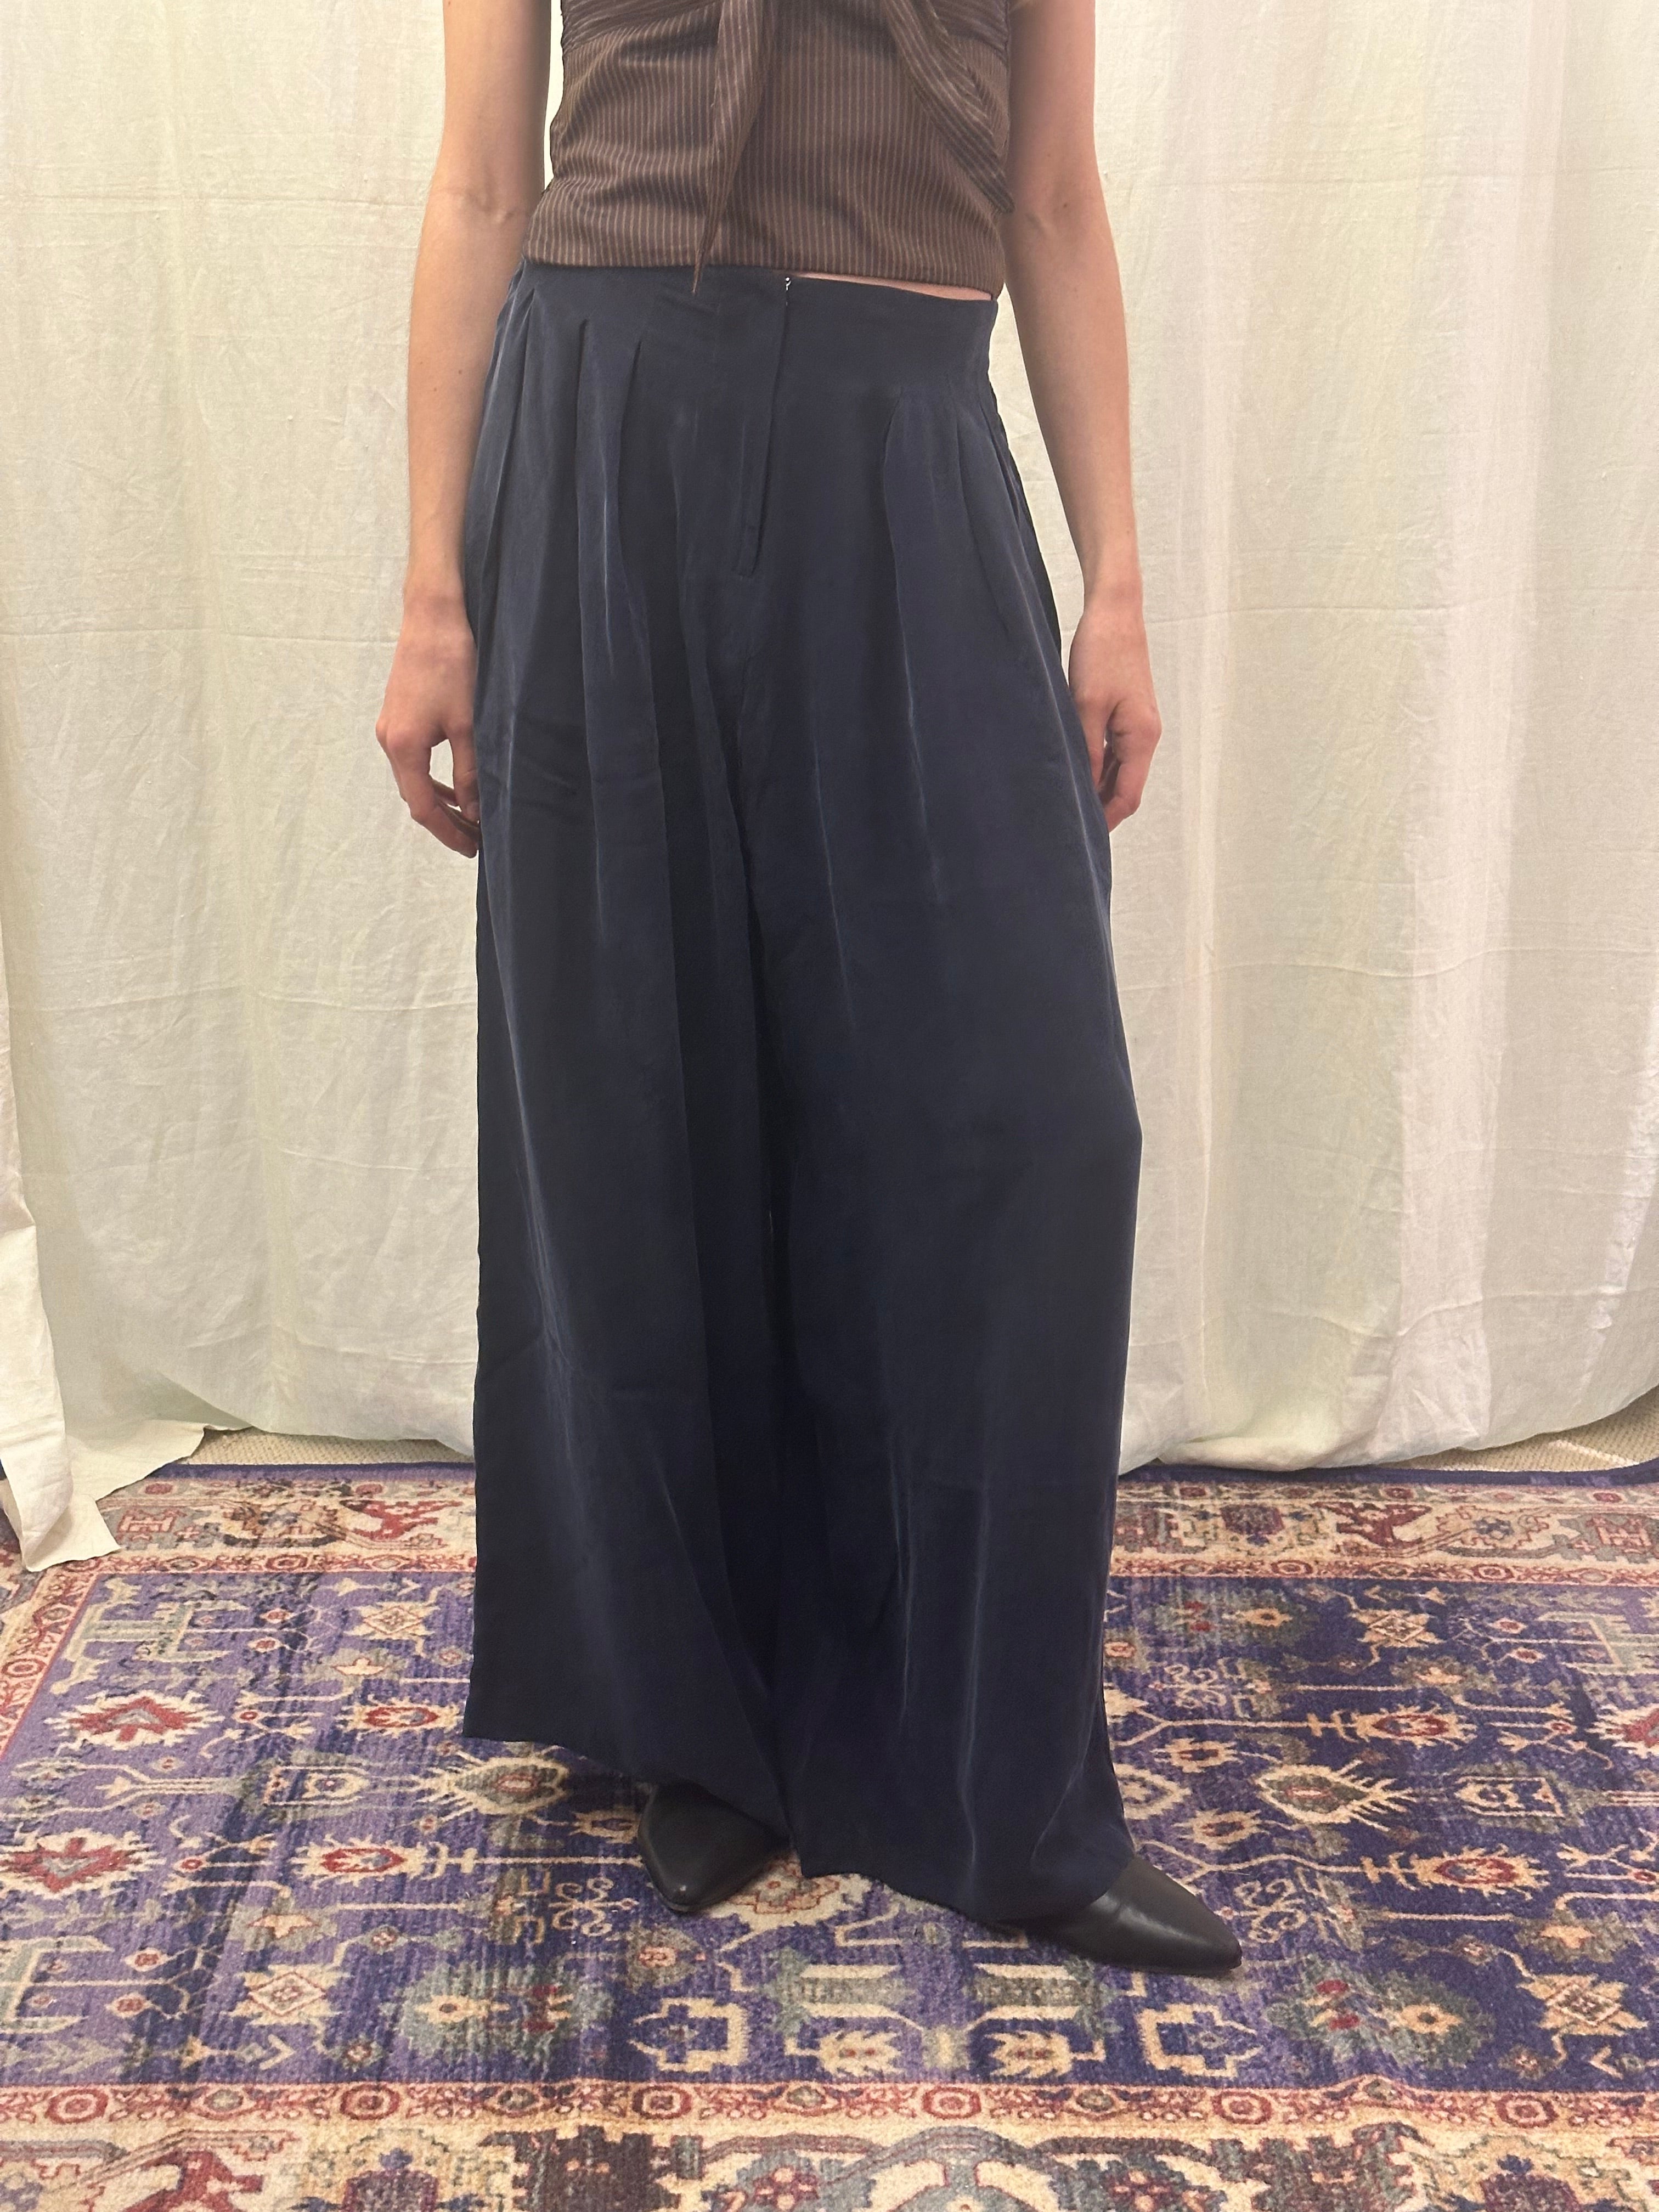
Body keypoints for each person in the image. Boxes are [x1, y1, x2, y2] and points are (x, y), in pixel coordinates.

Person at [376, 0, 1240, 1977]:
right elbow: (485, 183)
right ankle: (705, 1723)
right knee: (640, 1090)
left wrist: (1115, 582)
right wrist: (434, 593)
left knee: (1036, 1125)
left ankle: (1002, 1784)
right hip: (602, 435)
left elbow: (1052, 194)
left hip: (903, 435)